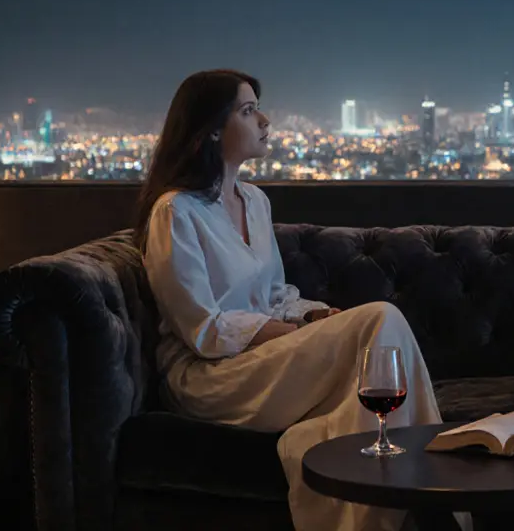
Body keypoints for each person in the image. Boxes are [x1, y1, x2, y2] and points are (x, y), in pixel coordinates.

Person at [136, 69, 448, 531]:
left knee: (375, 327)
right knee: (379, 319)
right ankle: (431, 503)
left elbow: (274, 296)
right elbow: (203, 329)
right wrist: (302, 333)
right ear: (213, 129)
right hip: (210, 376)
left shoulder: (255, 202)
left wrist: (315, 315)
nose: (265, 121)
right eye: (248, 111)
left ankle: (395, 504)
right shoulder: (175, 212)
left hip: (263, 361)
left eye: (259, 108)